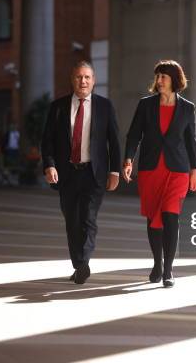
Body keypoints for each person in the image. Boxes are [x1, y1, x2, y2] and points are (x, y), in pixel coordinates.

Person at [41, 61, 121, 284]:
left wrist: (115, 171)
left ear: (93, 80)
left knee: (88, 218)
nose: (83, 81)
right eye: (78, 77)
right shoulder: (58, 107)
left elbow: (113, 142)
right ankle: (80, 264)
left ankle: (83, 262)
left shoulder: (105, 107)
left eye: (87, 77)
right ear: (72, 80)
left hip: (93, 173)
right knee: (72, 221)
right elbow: (47, 142)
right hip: (67, 173)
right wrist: (49, 165)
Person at [122, 60, 196, 288]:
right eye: (157, 77)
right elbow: (134, 134)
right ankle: (157, 262)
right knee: (153, 216)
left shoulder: (187, 108)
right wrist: (128, 159)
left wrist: (195, 169)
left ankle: (168, 270)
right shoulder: (146, 105)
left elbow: (190, 141)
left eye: (163, 77)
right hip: (151, 169)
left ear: (174, 79)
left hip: (177, 170)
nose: (159, 81)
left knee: (170, 215)